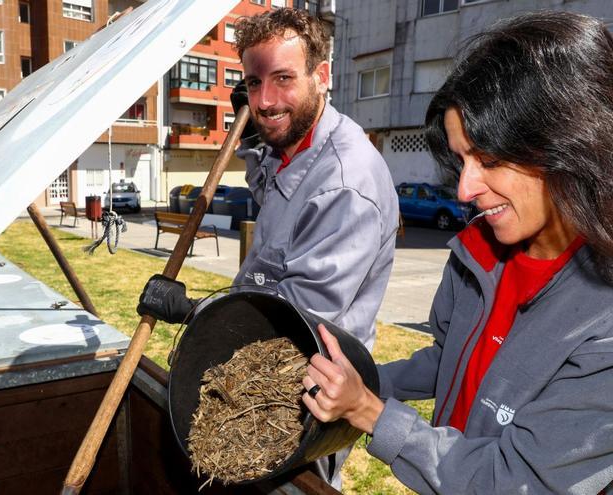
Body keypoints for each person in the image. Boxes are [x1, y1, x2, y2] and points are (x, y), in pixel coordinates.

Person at [301, 11, 613, 494]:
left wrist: (369, 412)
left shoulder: (603, 320)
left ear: (569, 146)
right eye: (461, 159)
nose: (465, 189)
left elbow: (510, 481)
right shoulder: (478, 251)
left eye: (488, 160)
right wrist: (362, 380)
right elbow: (449, 360)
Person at [137, 7, 400, 487]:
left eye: (283, 78)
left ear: (322, 76)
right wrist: (254, 134)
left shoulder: (344, 184)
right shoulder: (294, 147)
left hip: (303, 398)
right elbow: (274, 193)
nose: (266, 99)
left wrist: (196, 309)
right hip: (257, 369)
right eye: (254, 83)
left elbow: (295, 325)